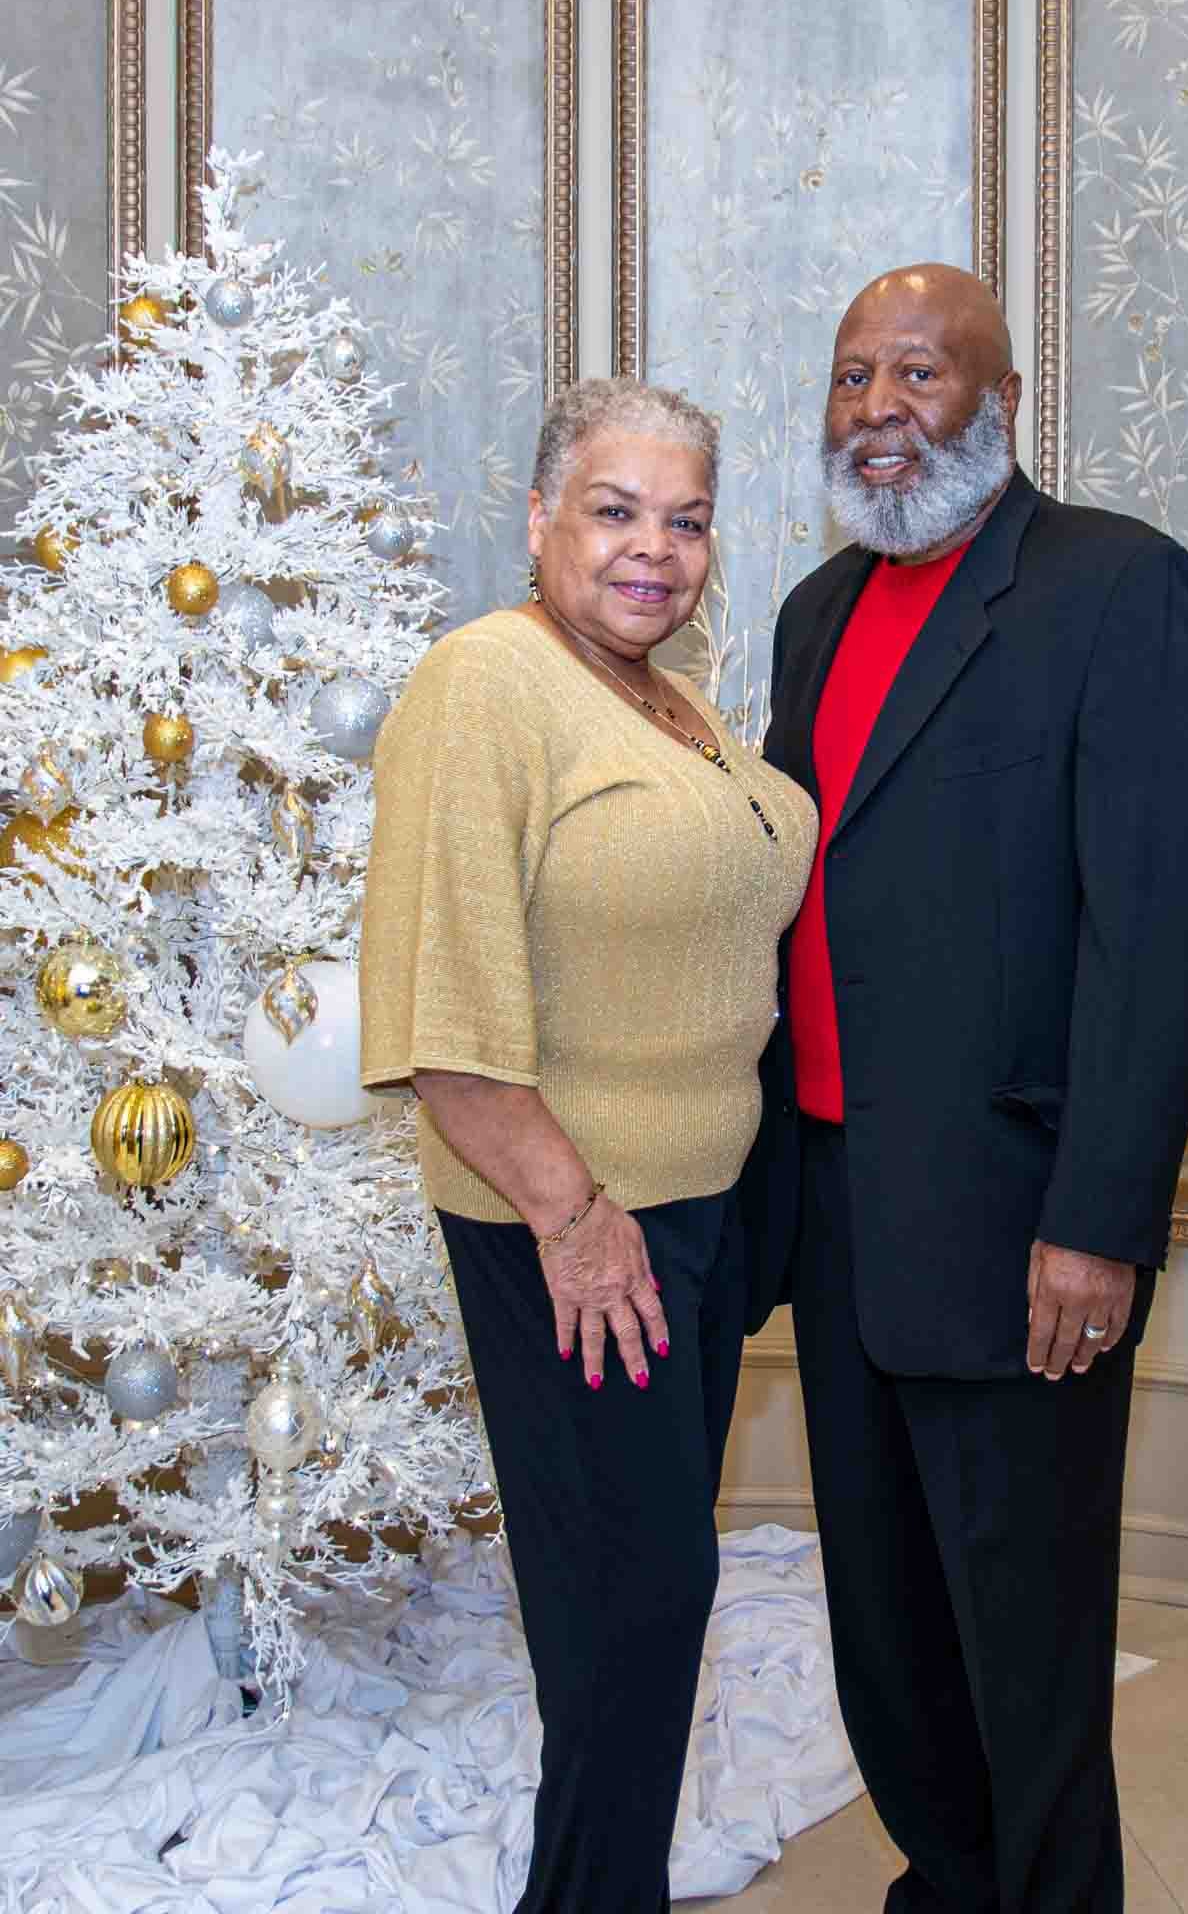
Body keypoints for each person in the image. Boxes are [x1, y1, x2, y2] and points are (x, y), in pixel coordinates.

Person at [742, 265, 1188, 1913]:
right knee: (885, 1632)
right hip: (837, 1212)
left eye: (921, 374)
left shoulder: (1115, 585)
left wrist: (1099, 1222)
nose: (880, 410)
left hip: (1020, 1225)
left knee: (1026, 1643)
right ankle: (947, 1890)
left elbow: (1156, 935)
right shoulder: (815, 615)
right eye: (853, 376)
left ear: (1000, 402)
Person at [359, 377, 817, 1914]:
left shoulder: (669, 699)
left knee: (641, 1612)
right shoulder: (486, 682)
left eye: (686, 521)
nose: (653, 550)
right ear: (539, 516)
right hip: (570, 1222)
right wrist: (576, 1217)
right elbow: (441, 1014)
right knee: (635, 1611)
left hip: (696, 1217)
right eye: (616, 511)